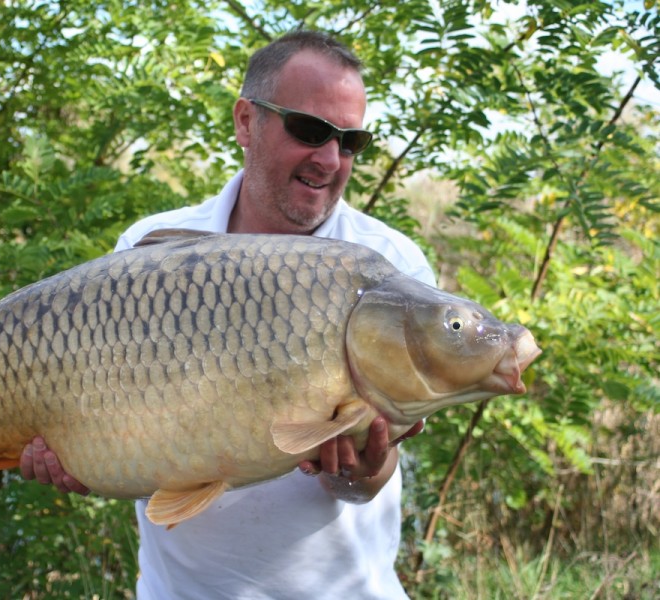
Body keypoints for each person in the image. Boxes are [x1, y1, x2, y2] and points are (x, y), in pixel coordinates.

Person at [21, 30, 433, 599]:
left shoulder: (392, 269)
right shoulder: (148, 250)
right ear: (246, 122)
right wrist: (78, 459)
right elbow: (112, 426)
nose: (331, 159)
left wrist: (359, 472)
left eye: (352, 140)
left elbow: (370, 484)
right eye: (309, 130)